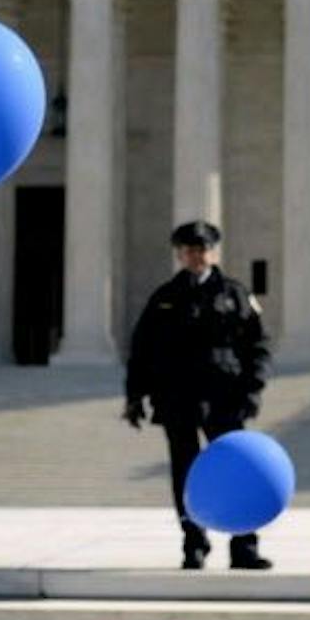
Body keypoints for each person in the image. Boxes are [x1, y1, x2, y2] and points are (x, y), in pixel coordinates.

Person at [124, 219, 272, 570]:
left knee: (236, 472)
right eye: (189, 250)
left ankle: (244, 545)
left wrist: (253, 389)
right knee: (186, 474)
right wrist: (134, 396)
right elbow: (142, 350)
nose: (196, 256)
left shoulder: (235, 294)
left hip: (225, 397)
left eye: (202, 249)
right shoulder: (164, 298)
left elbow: (257, 345)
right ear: (179, 254)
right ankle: (194, 542)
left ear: (213, 252)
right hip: (179, 398)